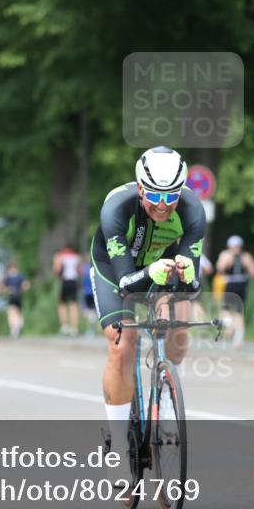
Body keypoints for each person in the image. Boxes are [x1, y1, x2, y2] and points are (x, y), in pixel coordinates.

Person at [91, 146, 205, 477]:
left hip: (162, 267)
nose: (162, 204)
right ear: (141, 188)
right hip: (114, 271)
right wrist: (149, 273)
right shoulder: (116, 208)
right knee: (122, 345)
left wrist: (188, 275)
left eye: (171, 196)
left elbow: (192, 286)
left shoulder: (193, 211)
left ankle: (167, 398)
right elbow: (127, 284)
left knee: (179, 328)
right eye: (154, 194)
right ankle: (119, 445)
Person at [216, 235, 254, 349]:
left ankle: (238, 338)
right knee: (226, 310)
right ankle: (230, 328)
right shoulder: (226, 255)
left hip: (241, 284)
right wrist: (228, 262)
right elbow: (220, 269)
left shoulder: (245, 256)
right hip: (229, 284)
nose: (236, 249)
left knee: (239, 312)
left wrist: (247, 265)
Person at [53, 245, 82, 335]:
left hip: (65, 281)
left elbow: (57, 270)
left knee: (62, 304)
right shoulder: (76, 256)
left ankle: (64, 326)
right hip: (74, 282)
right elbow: (80, 271)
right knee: (74, 305)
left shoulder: (60, 256)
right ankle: (75, 328)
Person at [0, 260, 30, 339]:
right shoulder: (20, 276)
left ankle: (14, 328)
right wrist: (21, 289)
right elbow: (26, 285)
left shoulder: (7, 277)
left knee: (11, 313)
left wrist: (7, 290)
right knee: (18, 312)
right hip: (18, 295)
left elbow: (1, 287)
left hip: (12, 296)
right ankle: (19, 325)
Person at [80, 258, 97, 337]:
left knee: (87, 311)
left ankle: (91, 329)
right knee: (91, 311)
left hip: (88, 293)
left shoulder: (84, 268)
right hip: (92, 292)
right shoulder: (94, 268)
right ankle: (92, 329)